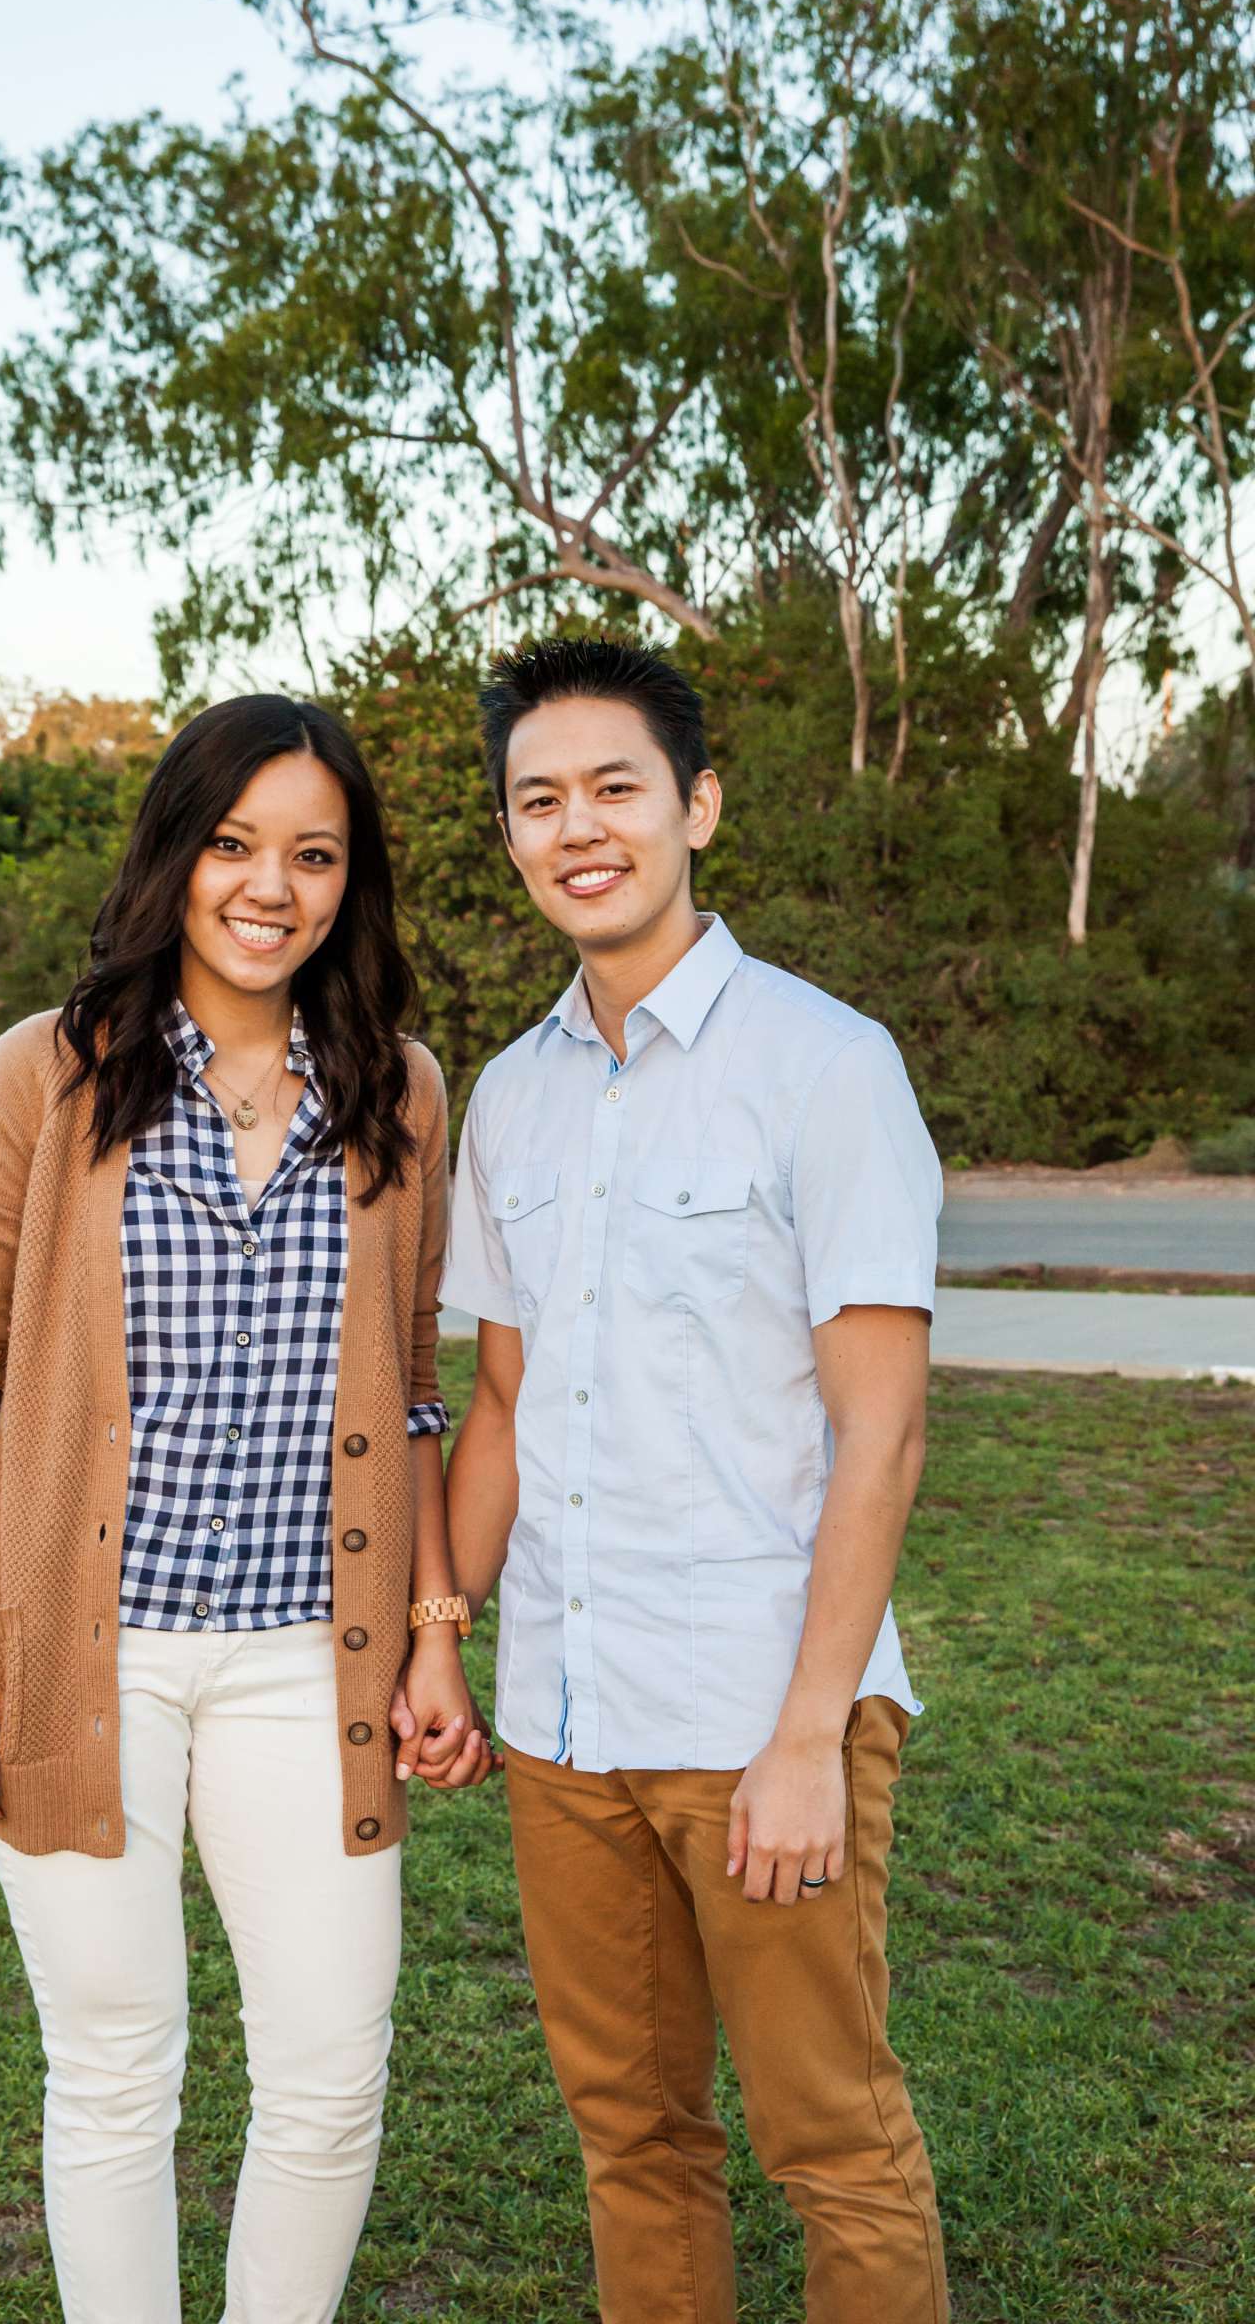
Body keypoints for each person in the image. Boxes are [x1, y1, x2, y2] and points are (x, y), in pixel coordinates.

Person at [0, 693, 494, 2324]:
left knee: (330, 2071)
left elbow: (415, 1392)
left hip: (315, 1650)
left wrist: (436, 1633)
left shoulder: (403, 1091)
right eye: (233, 844)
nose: (268, 887)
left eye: (312, 852)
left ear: (349, 880)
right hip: (86, 1652)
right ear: (176, 852)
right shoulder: (45, 1073)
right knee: (110, 2067)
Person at [438, 637, 950, 2324]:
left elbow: (879, 1428)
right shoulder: (508, 1100)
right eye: (539, 799)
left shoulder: (825, 1064)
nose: (578, 827)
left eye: (615, 789)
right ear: (511, 836)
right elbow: (502, 1404)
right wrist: (441, 1630)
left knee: (831, 2142)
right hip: (564, 1724)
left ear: (695, 808)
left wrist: (809, 1736)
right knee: (630, 2136)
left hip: (759, 1722)